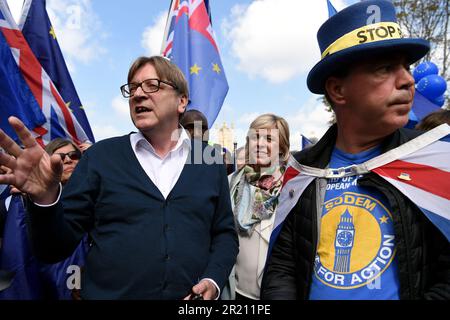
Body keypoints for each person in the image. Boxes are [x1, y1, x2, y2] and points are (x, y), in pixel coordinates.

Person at [0, 56, 238, 300]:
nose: (138, 94)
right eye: (133, 88)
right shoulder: (100, 157)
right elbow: (53, 249)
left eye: (152, 85)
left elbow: (224, 234)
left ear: (181, 101)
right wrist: (45, 199)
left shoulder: (209, 161)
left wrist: (213, 280)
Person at [261, 0, 450, 300]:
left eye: (406, 67)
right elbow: (282, 266)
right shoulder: (301, 173)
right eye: (385, 68)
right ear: (338, 90)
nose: (408, 80)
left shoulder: (437, 160)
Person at [228, 114, 290, 300]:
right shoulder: (230, 183)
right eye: (255, 137)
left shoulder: (293, 187)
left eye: (269, 138)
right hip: (235, 292)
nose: (260, 144)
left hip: (278, 292)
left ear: (282, 148)